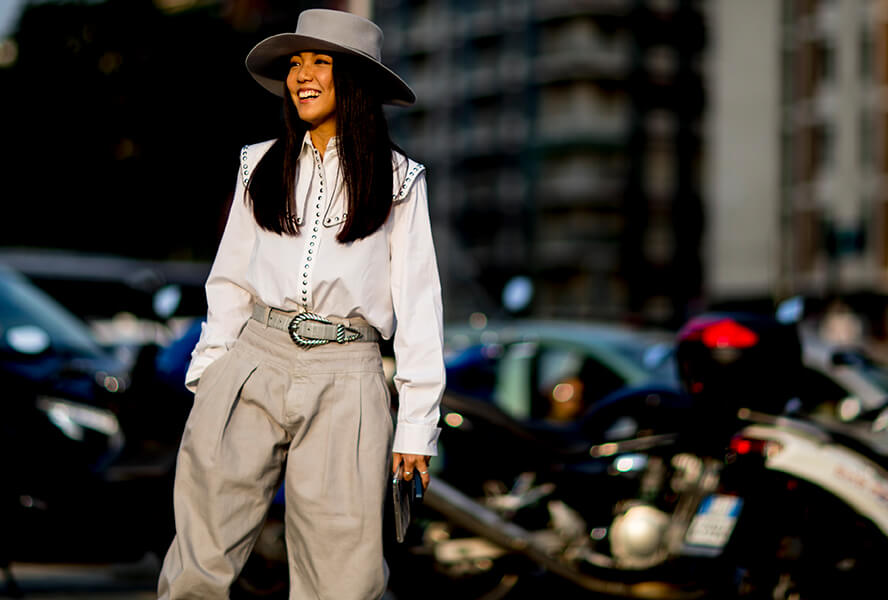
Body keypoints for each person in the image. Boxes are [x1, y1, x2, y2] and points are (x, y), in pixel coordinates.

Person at [156, 9, 445, 599]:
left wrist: (417, 424)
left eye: (321, 62)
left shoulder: (400, 180)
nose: (303, 75)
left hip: (348, 374)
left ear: (356, 81)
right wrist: (210, 376)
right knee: (196, 561)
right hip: (251, 360)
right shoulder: (257, 164)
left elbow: (419, 305)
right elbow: (230, 279)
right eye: (295, 63)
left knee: (341, 575)